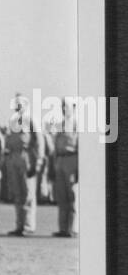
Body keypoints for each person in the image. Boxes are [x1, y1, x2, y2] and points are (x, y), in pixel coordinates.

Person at [3, 92, 41, 235]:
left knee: (28, 193)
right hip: (14, 157)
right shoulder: (12, 121)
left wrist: (38, 162)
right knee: (17, 193)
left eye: (20, 104)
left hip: (26, 157)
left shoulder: (31, 120)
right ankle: (19, 225)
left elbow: (39, 141)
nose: (17, 106)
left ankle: (28, 226)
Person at [50, 99, 79, 237]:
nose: (63, 109)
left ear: (73, 108)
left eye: (66, 106)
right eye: (62, 106)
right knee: (62, 197)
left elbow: (82, 147)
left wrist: (79, 168)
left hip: (72, 159)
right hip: (60, 159)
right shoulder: (60, 125)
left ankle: (72, 228)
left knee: (72, 196)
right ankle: (63, 228)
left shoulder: (77, 124)